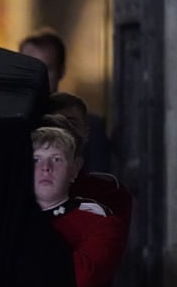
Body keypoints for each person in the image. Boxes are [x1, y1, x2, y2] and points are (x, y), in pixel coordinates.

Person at [32, 126, 126, 287]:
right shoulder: (5, 224)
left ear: (74, 169)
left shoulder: (100, 223)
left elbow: (80, 278)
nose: (46, 168)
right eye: (36, 159)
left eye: (57, 159)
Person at [20, 27, 111, 173]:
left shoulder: (90, 128)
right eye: (29, 68)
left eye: (46, 69)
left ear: (61, 71)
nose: (37, 77)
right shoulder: (8, 126)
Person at [45, 93, 133, 226]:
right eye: (57, 124)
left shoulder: (109, 194)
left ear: (86, 132)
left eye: (72, 124)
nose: (65, 131)